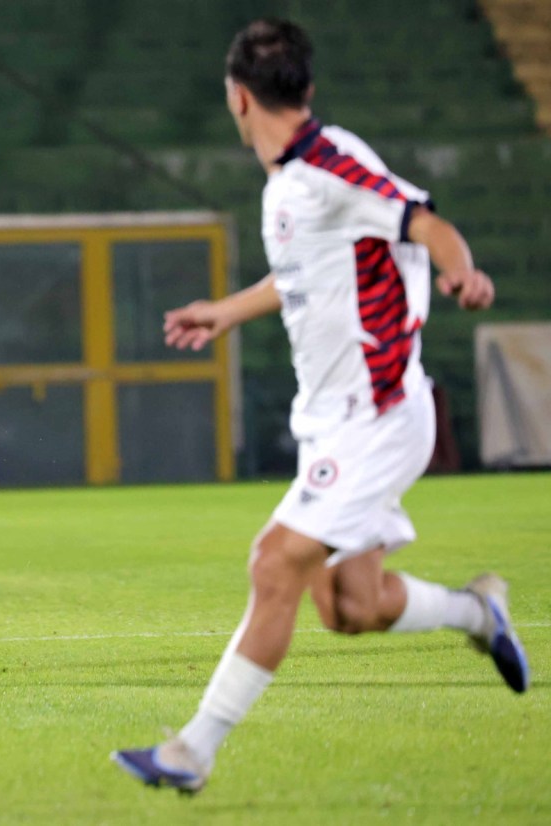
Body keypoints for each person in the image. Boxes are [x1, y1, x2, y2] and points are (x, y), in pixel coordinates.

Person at [112, 19, 528, 793]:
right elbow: (308, 275)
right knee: (350, 606)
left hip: (378, 414)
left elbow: (427, 220)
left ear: (238, 98)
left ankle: (190, 753)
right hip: (336, 418)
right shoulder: (290, 184)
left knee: (273, 564)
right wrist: (226, 312)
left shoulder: (333, 165)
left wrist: (462, 273)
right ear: (301, 88)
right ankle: (479, 613)